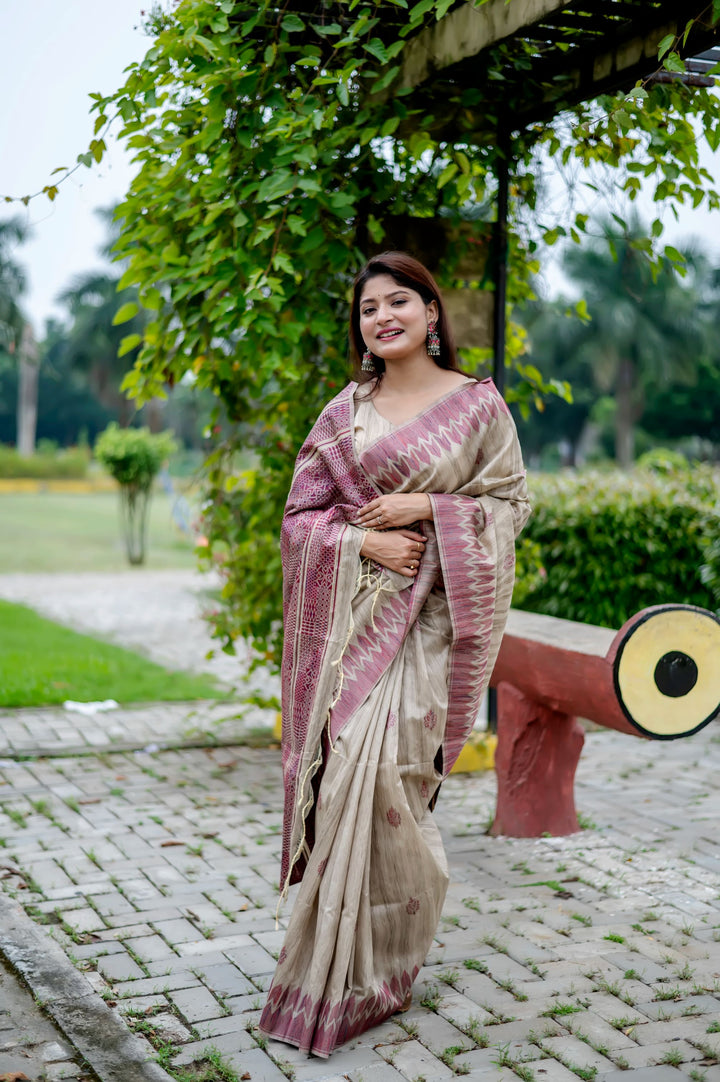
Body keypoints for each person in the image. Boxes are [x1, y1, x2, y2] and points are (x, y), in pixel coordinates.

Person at [258, 251, 531, 1058]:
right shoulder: (344, 413)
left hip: (434, 631)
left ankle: (385, 968)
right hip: (353, 637)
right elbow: (300, 521)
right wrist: (366, 541)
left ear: (431, 313)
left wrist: (431, 508)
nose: (383, 316)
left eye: (399, 301)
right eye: (369, 308)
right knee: (348, 778)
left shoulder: (478, 407)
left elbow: (508, 508)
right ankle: (322, 978)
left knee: (393, 787)